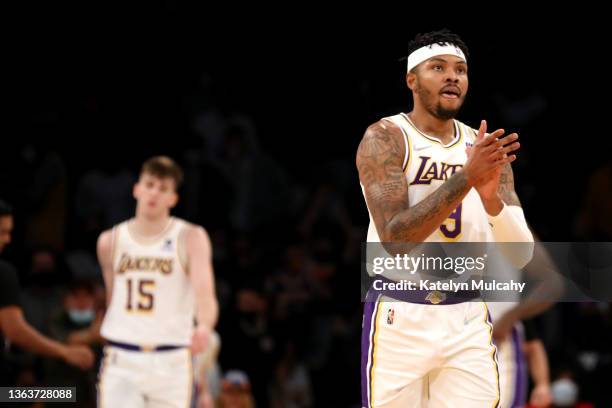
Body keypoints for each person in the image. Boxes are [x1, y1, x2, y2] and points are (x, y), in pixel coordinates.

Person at [356, 29, 534, 407]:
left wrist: (492, 203)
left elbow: (521, 255)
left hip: (467, 313)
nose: (452, 76)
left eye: (460, 69)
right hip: (400, 311)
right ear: (411, 79)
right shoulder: (386, 137)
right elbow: (396, 239)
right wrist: (467, 178)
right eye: (438, 67)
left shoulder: (485, 149)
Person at [96, 156, 218, 408]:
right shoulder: (110, 240)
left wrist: (204, 326)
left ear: (173, 198)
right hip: (123, 356)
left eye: (163, 189)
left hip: (171, 359)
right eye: (149, 184)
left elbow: (205, 296)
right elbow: (112, 300)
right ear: (136, 189)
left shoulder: (190, 237)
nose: (154, 193)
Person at [0, 198, 94, 384]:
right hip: (13, 387)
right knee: (62, 396)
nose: (8, 239)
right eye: (2, 232)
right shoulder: (3, 273)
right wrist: (65, 351)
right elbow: (14, 330)